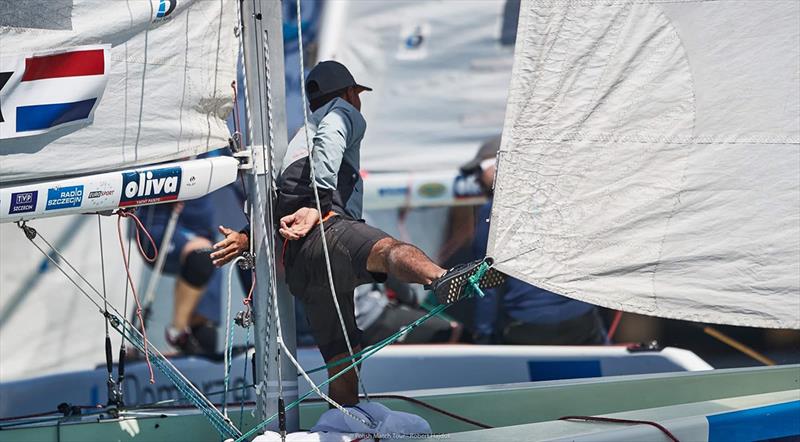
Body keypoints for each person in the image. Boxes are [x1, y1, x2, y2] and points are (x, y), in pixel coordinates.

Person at [211, 60, 503, 406]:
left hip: (300, 266)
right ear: (350, 93)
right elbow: (333, 134)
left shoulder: (292, 146)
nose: (358, 101)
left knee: (341, 356)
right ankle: (441, 278)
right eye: (357, 95)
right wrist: (320, 201)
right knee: (388, 250)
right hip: (329, 234)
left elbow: (276, 206)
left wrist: (246, 238)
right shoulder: (342, 112)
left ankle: (343, 419)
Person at [463, 136, 607, 346]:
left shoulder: (492, 213)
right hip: (580, 320)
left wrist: (483, 337)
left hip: (527, 326)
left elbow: (484, 286)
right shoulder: (561, 200)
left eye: (479, 169)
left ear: (500, 165)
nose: (475, 178)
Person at [139, 195, 220, 356]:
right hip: (159, 227)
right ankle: (176, 331)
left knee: (206, 334)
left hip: (203, 238)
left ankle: (196, 353)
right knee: (202, 256)